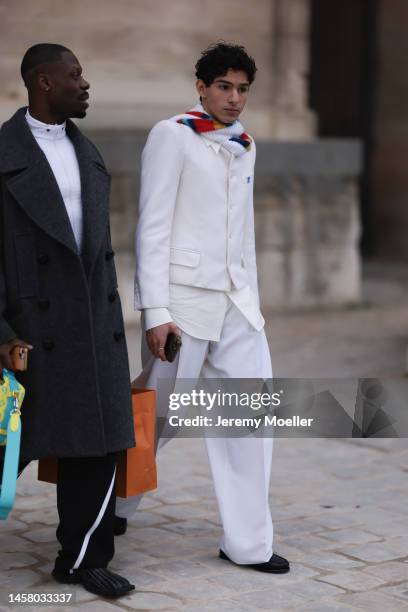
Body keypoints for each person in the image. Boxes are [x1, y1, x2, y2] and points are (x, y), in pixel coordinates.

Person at [116, 42, 290, 574]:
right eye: (224, 87)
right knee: (158, 415)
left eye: (242, 89)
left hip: (237, 304)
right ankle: (108, 505)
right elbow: (152, 226)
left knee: (250, 418)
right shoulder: (172, 136)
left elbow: (244, 235)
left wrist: (253, 301)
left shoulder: (245, 143)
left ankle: (248, 544)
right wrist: (155, 312)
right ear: (201, 86)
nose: (235, 99)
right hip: (184, 306)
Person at [0, 43, 135, 598]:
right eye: (74, 74)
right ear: (42, 82)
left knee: (96, 445)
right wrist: (3, 335)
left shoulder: (90, 153)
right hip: (27, 330)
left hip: (90, 325)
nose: (85, 83)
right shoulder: (3, 154)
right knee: (8, 444)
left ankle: (81, 558)